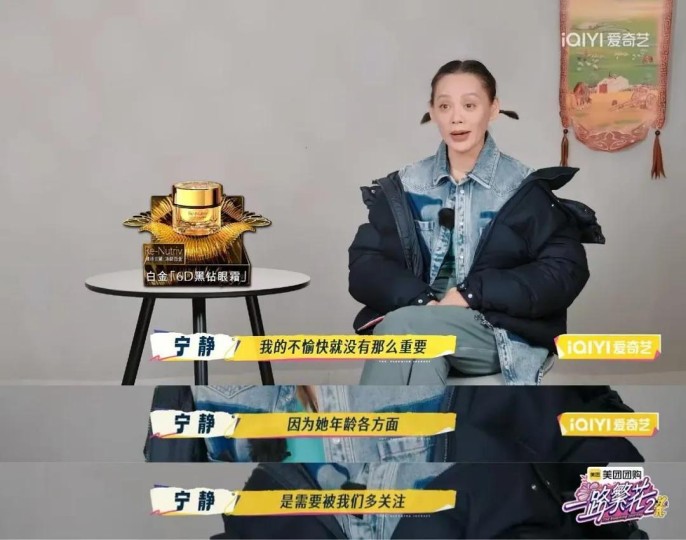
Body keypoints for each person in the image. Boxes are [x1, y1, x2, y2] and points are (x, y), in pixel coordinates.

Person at [349, 59, 601, 385]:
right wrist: (423, 301)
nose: (456, 117)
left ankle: (367, 419)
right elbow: (367, 264)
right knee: (422, 352)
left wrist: (470, 294)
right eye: (445, 106)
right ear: (432, 112)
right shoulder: (405, 185)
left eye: (469, 105)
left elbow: (563, 270)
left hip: (497, 333)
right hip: (421, 321)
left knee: (403, 328)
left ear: (493, 108)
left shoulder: (523, 188)